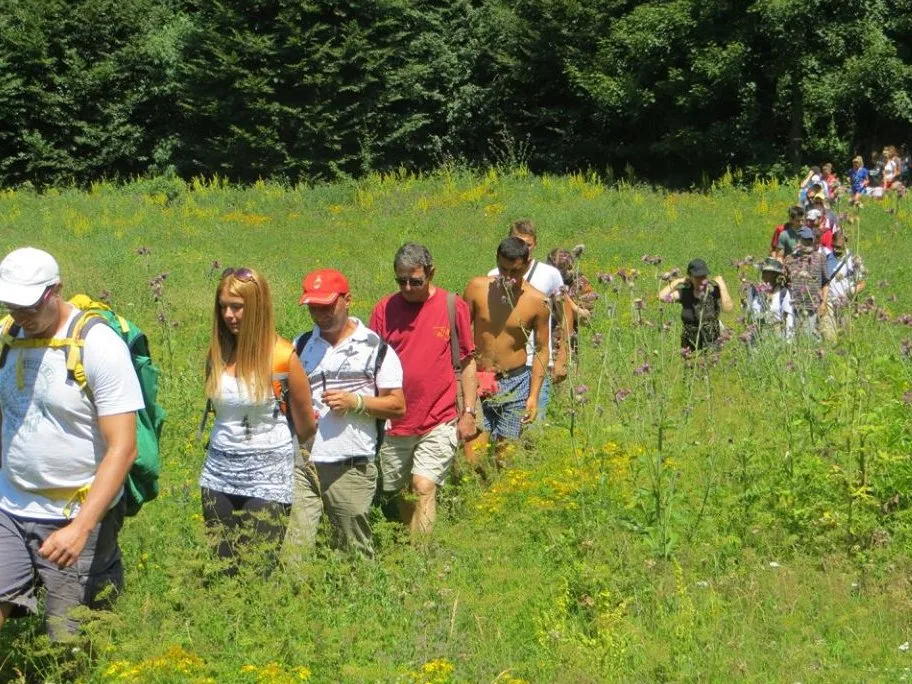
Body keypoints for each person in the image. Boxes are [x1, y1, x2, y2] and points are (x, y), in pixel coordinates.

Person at [0, 248, 144, 640]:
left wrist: (81, 527)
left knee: (68, 639)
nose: (20, 314)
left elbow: (123, 448)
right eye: (11, 303)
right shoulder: (7, 337)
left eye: (28, 305)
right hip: (9, 504)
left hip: (74, 511)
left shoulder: (98, 345)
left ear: (56, 290)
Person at [199, 267, 316, 576]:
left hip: (268, 478)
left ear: (257, 307)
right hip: (218, 474)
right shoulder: (218, 353)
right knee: (223, 569)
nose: (228, 315)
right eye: (223, 306)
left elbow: (306, 426)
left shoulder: (282, 357)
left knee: (256, 570)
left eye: (237, 307)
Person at [287, 269, 405, 558]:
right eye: (313, 307)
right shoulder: (300, 346)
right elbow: (282, 397)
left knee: (353, 551)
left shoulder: (375, 348)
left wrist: (356, 402)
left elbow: (398, 406)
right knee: (293, 552)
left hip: (350, 466)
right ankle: (296, 599)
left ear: (347, 300)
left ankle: (363, 599)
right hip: (304, 463)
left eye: (326, 306)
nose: (319, 314)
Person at [369, 244, 477, 535]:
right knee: (403, 490)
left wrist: (468, 411)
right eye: (400, 280)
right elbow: (371, 367)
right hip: (396, 422)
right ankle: (410, 547)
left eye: (415, 281)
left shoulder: (452, 306)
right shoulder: (383, 310)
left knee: (424, 485)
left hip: (438, 417)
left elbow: (467, 363)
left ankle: (421, 561)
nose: (407, 287)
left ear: (431, 273)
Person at [464, 237, 550, 466]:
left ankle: (499, 498)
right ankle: (477, 497)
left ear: (528, 264)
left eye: (516, 271)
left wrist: (533, 396)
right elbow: (460, 335)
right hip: (478, 379)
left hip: (516, 381)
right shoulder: (476, 288)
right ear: (496, 261)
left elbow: (542, 350)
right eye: (503, 269)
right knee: (474, 460)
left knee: (505, 460)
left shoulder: (538, 301)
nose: (509, 277)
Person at [487, 220, 570, 421]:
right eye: (517, 242)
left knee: (532, 426)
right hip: (503, 368)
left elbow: (565, 313)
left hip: (537, 363)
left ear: (535, 245)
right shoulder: (492, 276)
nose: (523, 248)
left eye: (528, 244)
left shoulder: (550, 274)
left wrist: (562, 357)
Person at [658, 259, 733, 352]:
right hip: (689, 343)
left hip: (711, 342)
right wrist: (677, 282)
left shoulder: (713, 291)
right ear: (690, 277)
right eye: (698, 277)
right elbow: (661, 297)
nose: (701, 280)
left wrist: (722, 286)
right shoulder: (685, 293)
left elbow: (728, 309)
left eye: (704, 276)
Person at [784, 227, 829, 336]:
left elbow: (826, 282)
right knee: (797, 338)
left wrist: (823, 303)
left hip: (813, 305)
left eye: (810, 240)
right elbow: (785, 282)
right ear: (798, 240)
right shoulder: (790, 259)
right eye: (804, 240)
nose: (808, 243)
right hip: (795, 305)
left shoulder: (820, 258)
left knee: (810, 338)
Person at [744, 258, 794, 341]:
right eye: (765, 272)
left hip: (776, 337)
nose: (766, 276)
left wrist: (789, 340)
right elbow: (747, 313)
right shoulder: (753, 291)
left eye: (770, 273)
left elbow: (789, 317)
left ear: (776, 275)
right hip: (756, 336)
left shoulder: (783, 293)